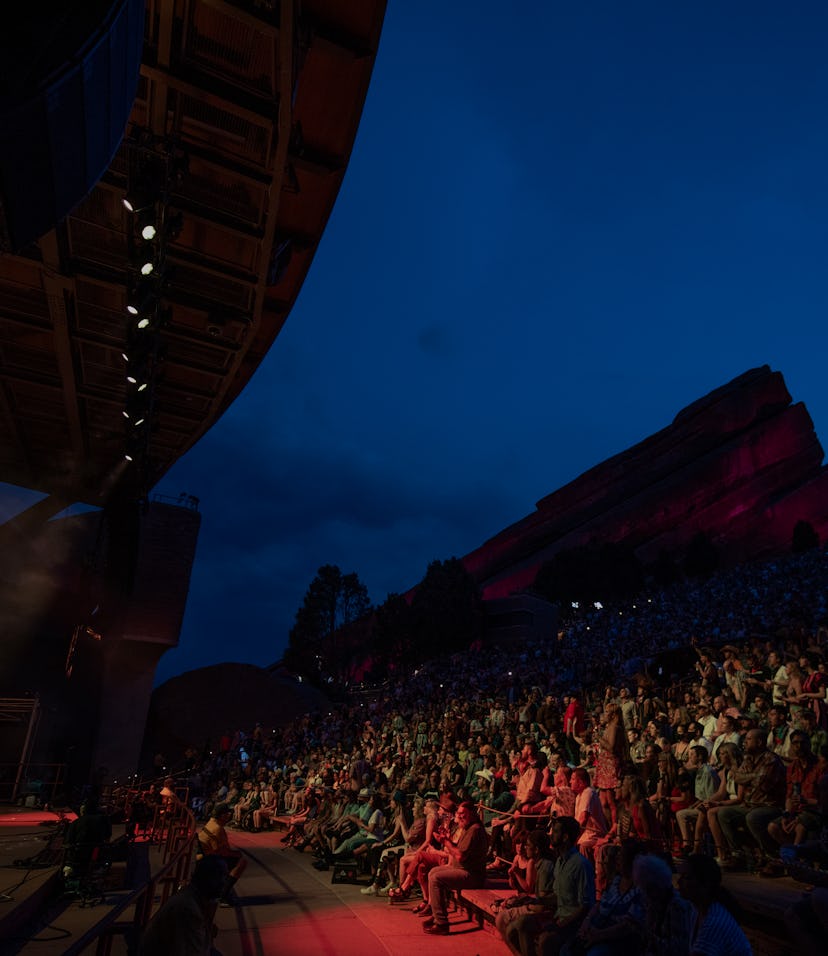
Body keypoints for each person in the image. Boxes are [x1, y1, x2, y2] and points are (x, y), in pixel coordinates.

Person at [422, 800, 488, 936]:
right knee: (433, 872)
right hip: (462, 869)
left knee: (436, 878)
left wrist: (445, 842)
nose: (460, 817)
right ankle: (437, 914)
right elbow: (458, 849)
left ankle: (442, 924)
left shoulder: (474, 830)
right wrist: (447, 839)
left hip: (472, 874)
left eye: (463, 814)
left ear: (471, 814)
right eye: (458, 813)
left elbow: (460, 856)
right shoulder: (466, 828)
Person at [139, 855, 227, 956]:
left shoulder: (192, 897)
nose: (223, 883)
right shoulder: (188, 909)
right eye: (219, 877)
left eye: (225, 877)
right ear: (205, 878)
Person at [677, 854, 752, 956]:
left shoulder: (713, 923)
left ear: (705, 884)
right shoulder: (697, 910)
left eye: (687, 877)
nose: (679, 882)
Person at [197, 803, 247, 906]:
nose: (229, 815)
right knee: (241, 862)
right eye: (227, 813)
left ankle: (220, 891)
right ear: (222, 815)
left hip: (201, 855)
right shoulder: (218, 829)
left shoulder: (211, 823)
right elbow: (222, 852)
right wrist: (237, 854)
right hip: (206, 860)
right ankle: (223, 896)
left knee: (231, 858)